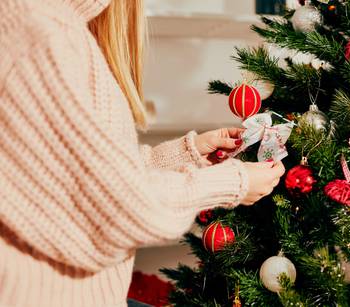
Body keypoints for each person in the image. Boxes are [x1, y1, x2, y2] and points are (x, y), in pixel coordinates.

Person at [0, 0, 285, 306]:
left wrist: (186, 154)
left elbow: (75, 177)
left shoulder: (53, 24)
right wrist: (234, 182)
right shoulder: (43, 30)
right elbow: (121, 205)